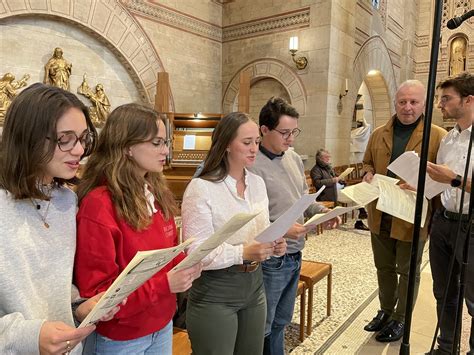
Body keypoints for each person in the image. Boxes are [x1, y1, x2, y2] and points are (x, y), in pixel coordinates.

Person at [74, 103, 202, 354]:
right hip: (121, 336)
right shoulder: (99, 204)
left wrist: (188, 261)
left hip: (161, 323)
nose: (165, 150)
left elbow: (165, 254)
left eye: (166, 142)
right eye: (156, 143)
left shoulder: (154, 191)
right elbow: (99, 294)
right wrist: (165, 285)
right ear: (127, 146)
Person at [0, 83, 117, 354]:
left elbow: (58, 284)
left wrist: (79, 307)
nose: (78, 151)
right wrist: (29, 335)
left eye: (83, 138)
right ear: (29, 136)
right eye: (65, 139)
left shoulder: (66, 200)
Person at [181, 112, 287, 355]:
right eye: (246, 142)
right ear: (227, 144)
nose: (254, 149)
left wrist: (273, 244)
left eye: (256, 142)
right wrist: (243, 252)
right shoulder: (202, 188)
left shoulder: (258, 183)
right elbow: (196, 252)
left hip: (255, 284)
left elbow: (259, 231)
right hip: (216, 290)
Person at [249, 97, 338, 355]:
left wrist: (323, 212)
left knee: (281, 321)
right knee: (264, 325)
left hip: (295, 251)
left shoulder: (294, 158)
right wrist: (284, 228)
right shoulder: (252, 165)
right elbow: (252, 218)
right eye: (285, 133)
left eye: (294, 132)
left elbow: (303, 199)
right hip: (270, 255)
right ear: (264, 130)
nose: (291, 139)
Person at [362, 80, 447, 342]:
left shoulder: (438, 136)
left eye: (414, 102)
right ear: (395, 102)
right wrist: (367, 174)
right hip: (381, 212)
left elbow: (445, 178)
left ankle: (401, 318)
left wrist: (424, 185)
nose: (407, 107)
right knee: (383, 266)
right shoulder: (378, 133)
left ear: (424, 104)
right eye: (402, 101)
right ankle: (386, 310)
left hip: (412, 215)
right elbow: (367, 163)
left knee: (408, 270)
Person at [425, 72, 473, 354]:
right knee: (444, 293)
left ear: (468, 100)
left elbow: (453, 179)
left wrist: (454, 178)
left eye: (446, 98)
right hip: (444, 222)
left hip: (471, 226)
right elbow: (441, 180)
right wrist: (420, 184)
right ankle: (446, 347)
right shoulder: (448, 139)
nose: (440, 105)